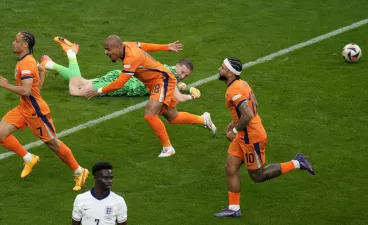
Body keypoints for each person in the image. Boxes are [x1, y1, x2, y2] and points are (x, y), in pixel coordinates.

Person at [213, 57, 315, 218]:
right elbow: (255, 106)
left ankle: (297, 162)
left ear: (231, 74)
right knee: (230, 167)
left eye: (222, 68)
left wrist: (235, 129)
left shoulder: (234, 90)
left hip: (251, 137)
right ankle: (234, 208)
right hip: (244, 134)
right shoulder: (242, 84)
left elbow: (247, 113)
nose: (219, 69)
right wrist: (234, 123)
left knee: (258, 176)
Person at [85, 35, 216, 157]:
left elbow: (120, 83)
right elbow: (143, 45)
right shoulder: (127, 45)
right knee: (173, 117)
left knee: (150, 113)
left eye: (108, 49)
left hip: (162, 80)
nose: (106, 52)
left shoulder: (131, 58)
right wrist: (166, 47)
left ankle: (168, 148)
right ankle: (204, 120)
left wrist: (99, 91)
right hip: (157, 82)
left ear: (118, 47)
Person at [0, 31, 89, 191]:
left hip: (36, 113)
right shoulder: (27, 60)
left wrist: (7, 85)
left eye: (16, 41)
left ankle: (80, 171)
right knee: (0, 133)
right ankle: (29, 158)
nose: (13, 43)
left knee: (53, 144)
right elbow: (42, 70)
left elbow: (26, 91)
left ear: (25, 45)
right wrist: (38, 89)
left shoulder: (25, 65)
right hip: (24, 108)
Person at [40, 39, 200, 102]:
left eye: (186, 75)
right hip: (123, 83)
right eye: (182, 71)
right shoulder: (170, 75)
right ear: (176, 66)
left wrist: (165, 47)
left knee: (81, 81)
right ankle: (71, 53)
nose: (183, 75)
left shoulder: (166, 70)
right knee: (75, 90)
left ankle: (48, 64)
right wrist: (192, 95)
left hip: (121, 75)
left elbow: (142, 46)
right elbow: (178, 98)